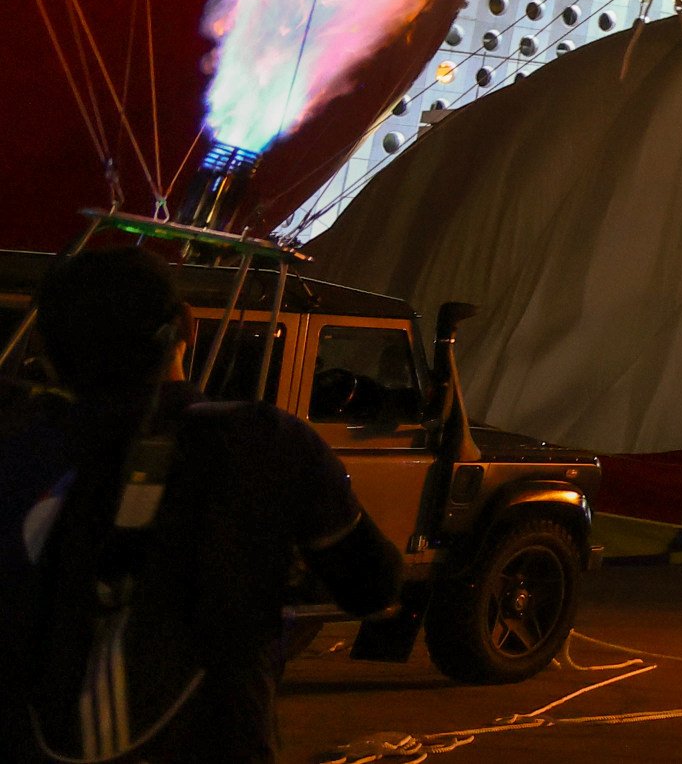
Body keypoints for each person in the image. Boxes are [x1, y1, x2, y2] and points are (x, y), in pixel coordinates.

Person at [0, 249, 400, 764]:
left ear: (49, 351)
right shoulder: (266, 440)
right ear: (179, 332)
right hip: (216, 740)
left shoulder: (21, 446)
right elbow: (372, 586)